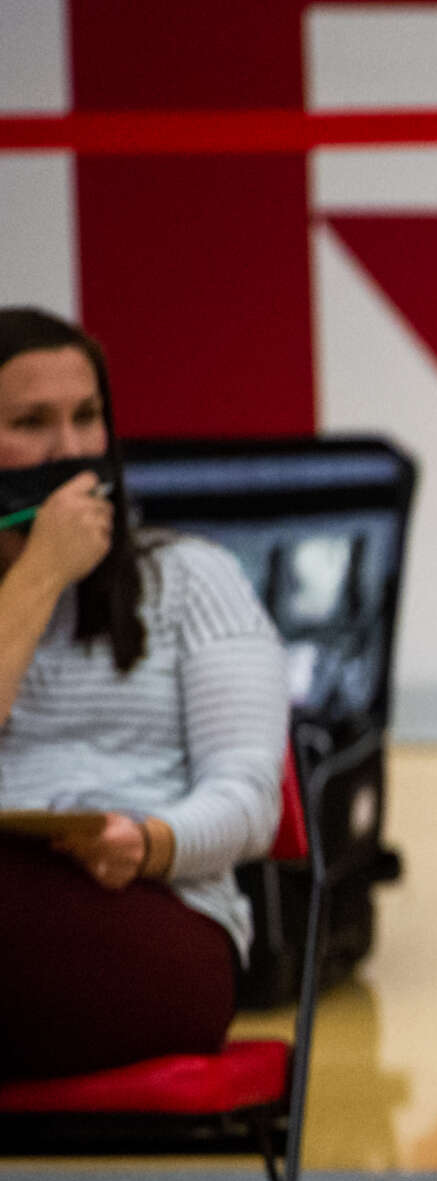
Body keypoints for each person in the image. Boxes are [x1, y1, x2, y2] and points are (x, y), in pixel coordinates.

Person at [0, 308, 287, 1081]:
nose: (68, 451)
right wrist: (37, 577)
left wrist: (150, 844)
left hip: (149, 918)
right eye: (31, 422)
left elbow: (251, 797)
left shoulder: (194, 581)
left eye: (87, 418)